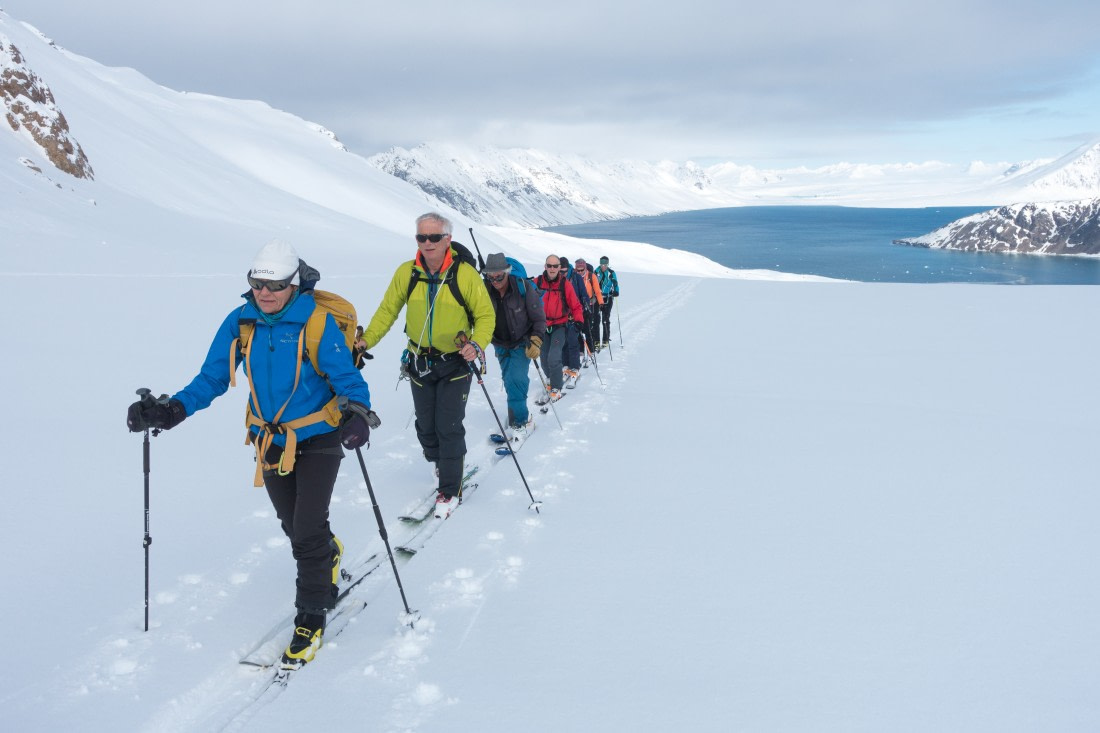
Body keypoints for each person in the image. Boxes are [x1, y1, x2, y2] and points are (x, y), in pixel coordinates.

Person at [125, 239, 375, 669]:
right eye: (257, 284)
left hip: (318, 437)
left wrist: (357, 414)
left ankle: (310, 616)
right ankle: (328, 555)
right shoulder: (242, 322)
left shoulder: (315, 323)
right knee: (293, 525)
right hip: (270, 440)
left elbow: (348, 378)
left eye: (274, 285)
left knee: (308, 527)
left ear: (293, 285)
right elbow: (213, 377)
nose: (264, 293)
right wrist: (171, 411)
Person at [358, 212, 494, 518]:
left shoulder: (465, 275)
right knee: (425, 426)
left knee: (448, 426)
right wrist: (366, 340)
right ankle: (439, 462)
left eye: (434, 237)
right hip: (419, 362)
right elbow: (387, 311)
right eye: (422, 237)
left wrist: (476, 344)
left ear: (448, 239)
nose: (428, 243)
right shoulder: (408, 273)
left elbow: (486, 316)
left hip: (456, 362)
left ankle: (450, 488)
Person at [481, 252, 546, 446]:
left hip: (522, 342)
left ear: (507, 272)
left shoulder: (523, 288)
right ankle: (516, 420)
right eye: (491, 277)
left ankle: (521, 422)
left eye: (499, 276)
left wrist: (536, 340)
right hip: (500, 343)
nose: (495, 281)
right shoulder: (484, 290)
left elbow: (539, 318)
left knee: (516, 379)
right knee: (509, 380)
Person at [534, 254, 583, 402]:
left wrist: (579, 320)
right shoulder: (537, 282)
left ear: (559, 268)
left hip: (559, 325)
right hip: (542, 325)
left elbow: (575, 304)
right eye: (549, 265)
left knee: (554, 356)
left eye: (555, 266)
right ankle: (551, 378)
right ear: (545, 266)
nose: (552, 268)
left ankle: (556, 387)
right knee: (543, 357)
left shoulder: (564, 284)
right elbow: (524, 294)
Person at [558, 257, 589, 386]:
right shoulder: (556, 279)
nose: (562, 274)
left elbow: (584, 293)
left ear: (568, 269)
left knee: (573, 342)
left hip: (574, 315)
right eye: (560, 271)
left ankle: (574, 367)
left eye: (564, 271)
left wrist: (586, 305)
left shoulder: (576, 278)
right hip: (561, 316)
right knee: (563, 343)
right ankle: (565, 365)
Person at [573, 258, 604, 362]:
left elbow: (597, 291)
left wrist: (601, 303)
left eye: (582, 270)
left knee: (588, 327)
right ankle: (580, 350)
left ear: (585, 268)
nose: (580, 272)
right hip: (575, 306)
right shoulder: (573, 276)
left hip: (589, 304)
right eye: (578, 270)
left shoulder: (591, 276)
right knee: (577, 328)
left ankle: (590, 350)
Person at [595, 255, 620, 349]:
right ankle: (596, 341)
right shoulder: (596, 272)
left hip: (608, 297)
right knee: (596, 320)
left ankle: (605, 340)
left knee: (605, 319)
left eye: (605, 264)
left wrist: (616, 291)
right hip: (597, 298)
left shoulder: (611, 273)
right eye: (601, 264)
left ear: (608, 264)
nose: (603, 266)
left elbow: (615, 284)